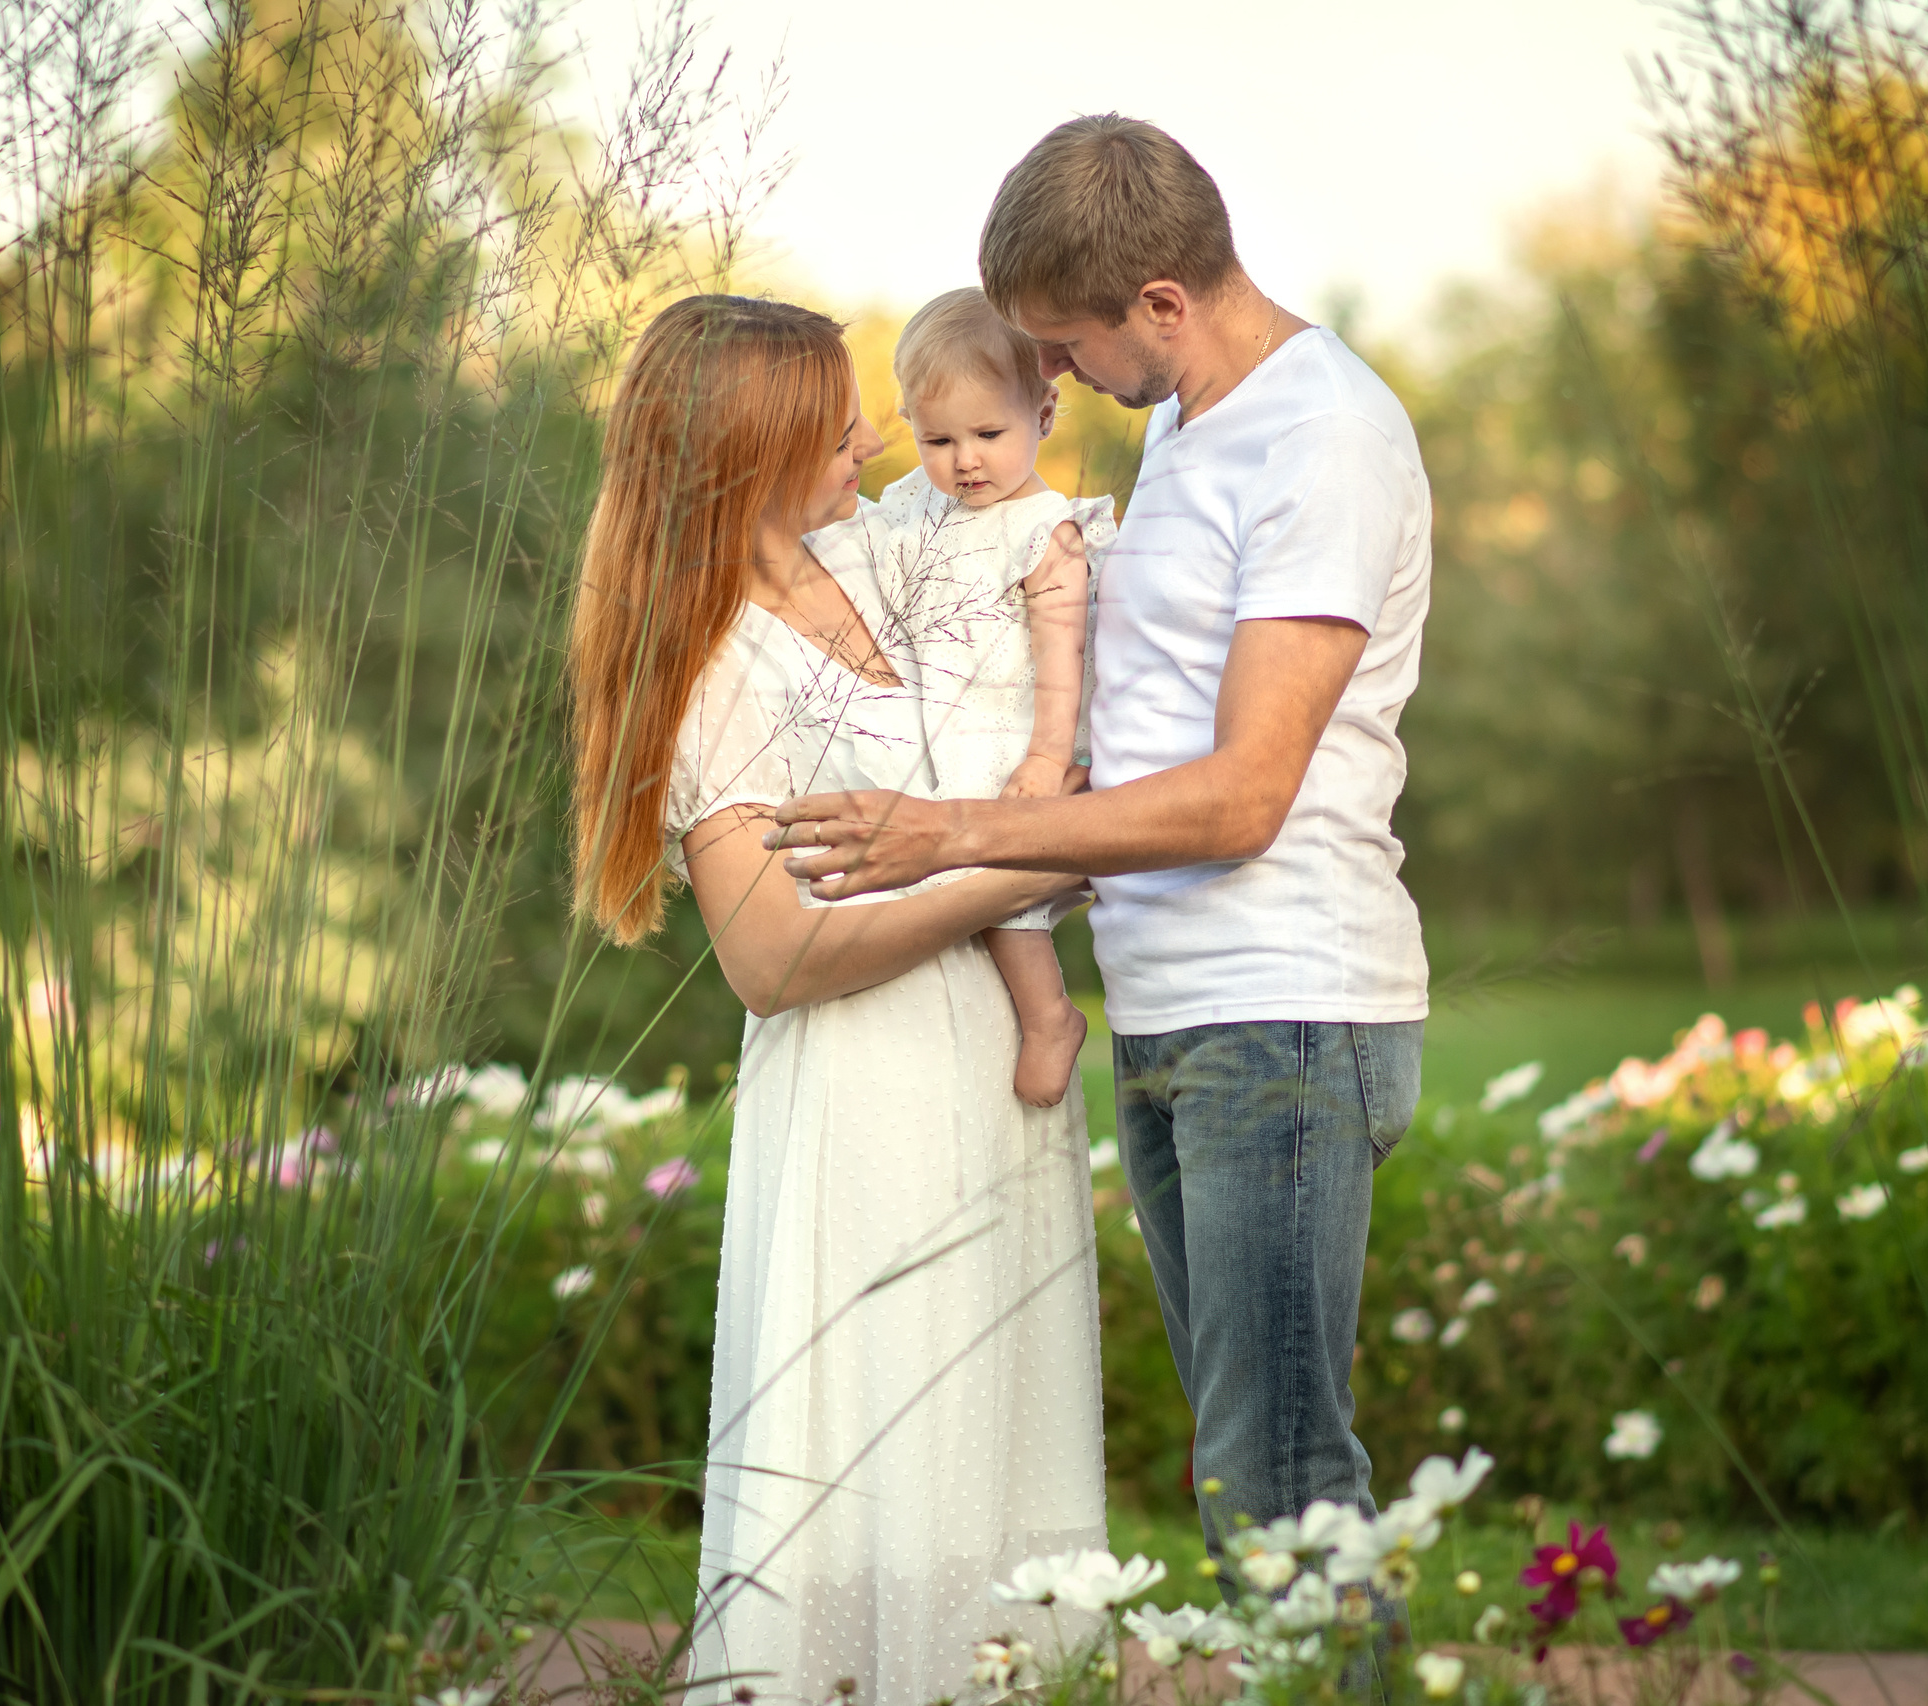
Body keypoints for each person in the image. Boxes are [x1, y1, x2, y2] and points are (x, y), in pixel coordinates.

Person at [767, 117, 1434, 1573]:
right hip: (1178, 1000)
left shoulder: (1320, 438)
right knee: (1244, 1464)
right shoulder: (1192, 421)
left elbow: (1243, 795)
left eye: (1068, 345)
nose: (1053, 379)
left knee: (1284, 1472)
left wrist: (953, 832)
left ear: (1164, 304)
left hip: (1287, 1006)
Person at [568, 294, 1106, 1705]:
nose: (870, 433)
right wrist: (1017, 864)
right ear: (752, 446)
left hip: (993, 1063)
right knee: (888, 1453)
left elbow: (1025, 586)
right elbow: (774, 958)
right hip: (867, 1091)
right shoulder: (712, 666)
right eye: (832, 417)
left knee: (1001, 1450)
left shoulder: (874, 556)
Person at [804, 287, 1118, 1108]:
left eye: (989, 434)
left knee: (985, 860)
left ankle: (1049, 1013)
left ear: (1045, 413)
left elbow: (1063, 655)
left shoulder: (1047, 529)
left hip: (1006, 728)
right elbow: (853, 552)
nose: (964, 461)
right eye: (937, 438)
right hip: (924, 720)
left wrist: (1049, 756)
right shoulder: (914, 502)